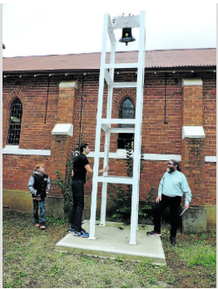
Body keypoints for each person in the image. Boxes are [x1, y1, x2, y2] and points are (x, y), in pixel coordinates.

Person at [147, 159, 192, 245]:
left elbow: (187, 191)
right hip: (164, 198)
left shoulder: (181, 176)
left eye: (170, 164)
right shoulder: (166, 174)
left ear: (176, 166)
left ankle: (173, 237)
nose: (168, 165)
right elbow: (161, 184)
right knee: (156, 210)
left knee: (174, 218)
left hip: (175, 199)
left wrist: (187, 202)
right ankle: (157, 230)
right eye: (168, 164)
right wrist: (159, 195)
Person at [69, 143, 109, 238]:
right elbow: (90, 171)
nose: (89, 149)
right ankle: (78, 229)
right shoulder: (83, 158)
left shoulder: (76, 158)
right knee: (80, 205)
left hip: (74, 182)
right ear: (84, 149)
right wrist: (103, 171)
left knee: (75, 204)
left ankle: (73, 227)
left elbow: (72, 172)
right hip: (78, 183)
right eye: (88, 147)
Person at [28, 163, 50, 230]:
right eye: (42, 167)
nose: (43, 168)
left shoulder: (46, 176)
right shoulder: (33, 177)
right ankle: (36, 221)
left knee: (42, 208)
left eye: (43, 167)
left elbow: (48, 183)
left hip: (42, 195)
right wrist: (34, 192)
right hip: (35, 195)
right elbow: (30, 185)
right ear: (38, 169)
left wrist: (47, 190)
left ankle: (42, 222)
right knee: (35, 208)